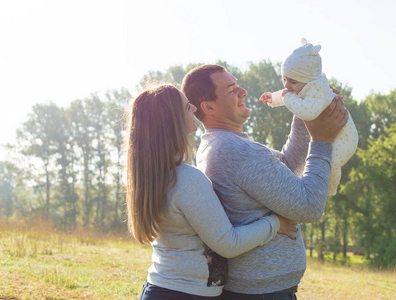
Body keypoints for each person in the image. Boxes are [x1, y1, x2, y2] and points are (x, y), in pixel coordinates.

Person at [182, 64, 348, 299]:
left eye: (237, 85)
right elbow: (310, 207)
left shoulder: (224, 145)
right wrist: (322, 140)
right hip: (264, 292)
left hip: (262, 288)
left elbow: (288, 166)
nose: (243, 92)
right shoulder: (236, 151)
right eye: (231, 90)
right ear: (208, 107)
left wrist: (306, 109)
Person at [126, 83, 299, 300]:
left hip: (163, 288)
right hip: (185, 294)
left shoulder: (154, 177)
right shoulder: (187, 179)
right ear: (173, 121)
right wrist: (275, 224)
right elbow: (228, 243)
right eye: (187, 107)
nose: (193, 109)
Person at [260, 38, 358, 195]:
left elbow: (307, 111)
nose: (286, 85)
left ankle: (329, 190)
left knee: (329, 163)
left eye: (291, 81)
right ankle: (325, 189)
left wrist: (287, 98)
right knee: (322, 162)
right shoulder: (304, 84)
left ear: (307, 80)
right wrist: (272, 98)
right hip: (332, 134)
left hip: (345, 139)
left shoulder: (316, 91)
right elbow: (288, 93)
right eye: (284, 79)